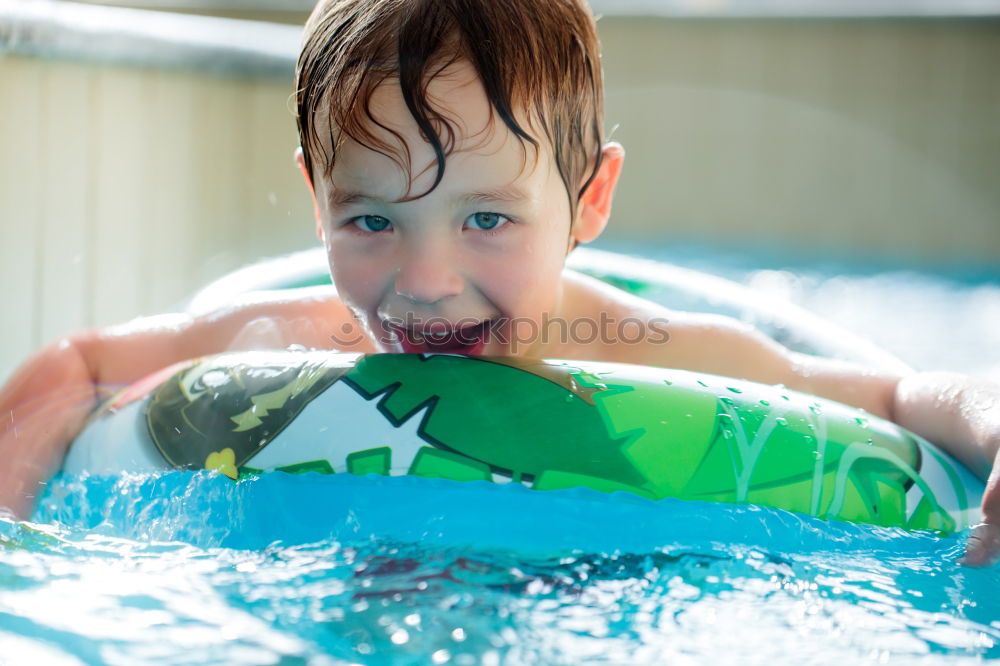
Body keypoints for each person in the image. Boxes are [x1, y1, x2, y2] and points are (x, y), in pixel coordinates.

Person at [1, 0, 998, 564]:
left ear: (589, 198)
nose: (424, 281)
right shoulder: (289, 337)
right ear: (316, 203)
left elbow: (888, 395)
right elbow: (82, 361)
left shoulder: (649, 352)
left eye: (485, 219)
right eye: (371, 220)